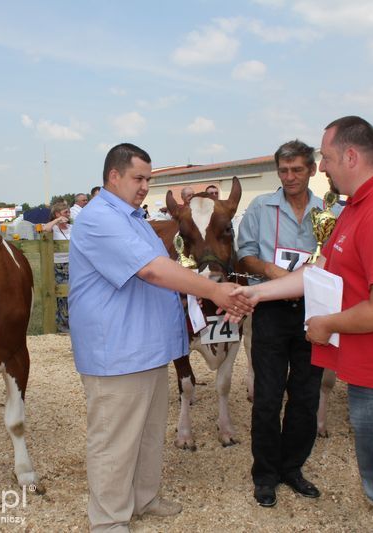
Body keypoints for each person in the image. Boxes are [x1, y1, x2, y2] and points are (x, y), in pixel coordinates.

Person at [233, 116, 373, 532]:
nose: (321, 167)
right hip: (371, 367)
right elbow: (318, 271)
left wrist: (325, 325)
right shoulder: (358, 208)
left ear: (350, 155)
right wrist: (253, 293)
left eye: (324, 158)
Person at [69, 142, 252, 532]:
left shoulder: (134, 218)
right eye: (138, 178)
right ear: (113, 176)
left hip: (149, 349)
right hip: (116, 352)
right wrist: (216, 291)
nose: (144, 187)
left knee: (149, 435)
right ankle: (108, 520)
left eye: (148, 179)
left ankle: (143, 498)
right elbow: (153, 271)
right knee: (114, 441)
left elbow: (172, 266)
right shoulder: (100, 218)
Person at [237, 139, 341, 508]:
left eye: (297, 169)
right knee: (266, 396)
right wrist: (271, 271)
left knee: (306, 395)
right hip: (270, 309)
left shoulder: (331, 211)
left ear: (312, 170)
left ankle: (293, 468)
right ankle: (264, 475)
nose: (290, 176)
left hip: (315, 311)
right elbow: (244, 254)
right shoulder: (260, 207)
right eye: (284, 170)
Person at [43, 200, 72, 332]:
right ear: (57, 214)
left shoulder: (72, 227)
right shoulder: (53, 228)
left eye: (69, 212)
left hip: (73, 264)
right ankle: (63, 327)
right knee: (63, 297)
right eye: (65, 212)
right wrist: (57, 220)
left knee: (73, 296)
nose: (68, 214)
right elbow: (44, 229)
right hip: (60, 265)